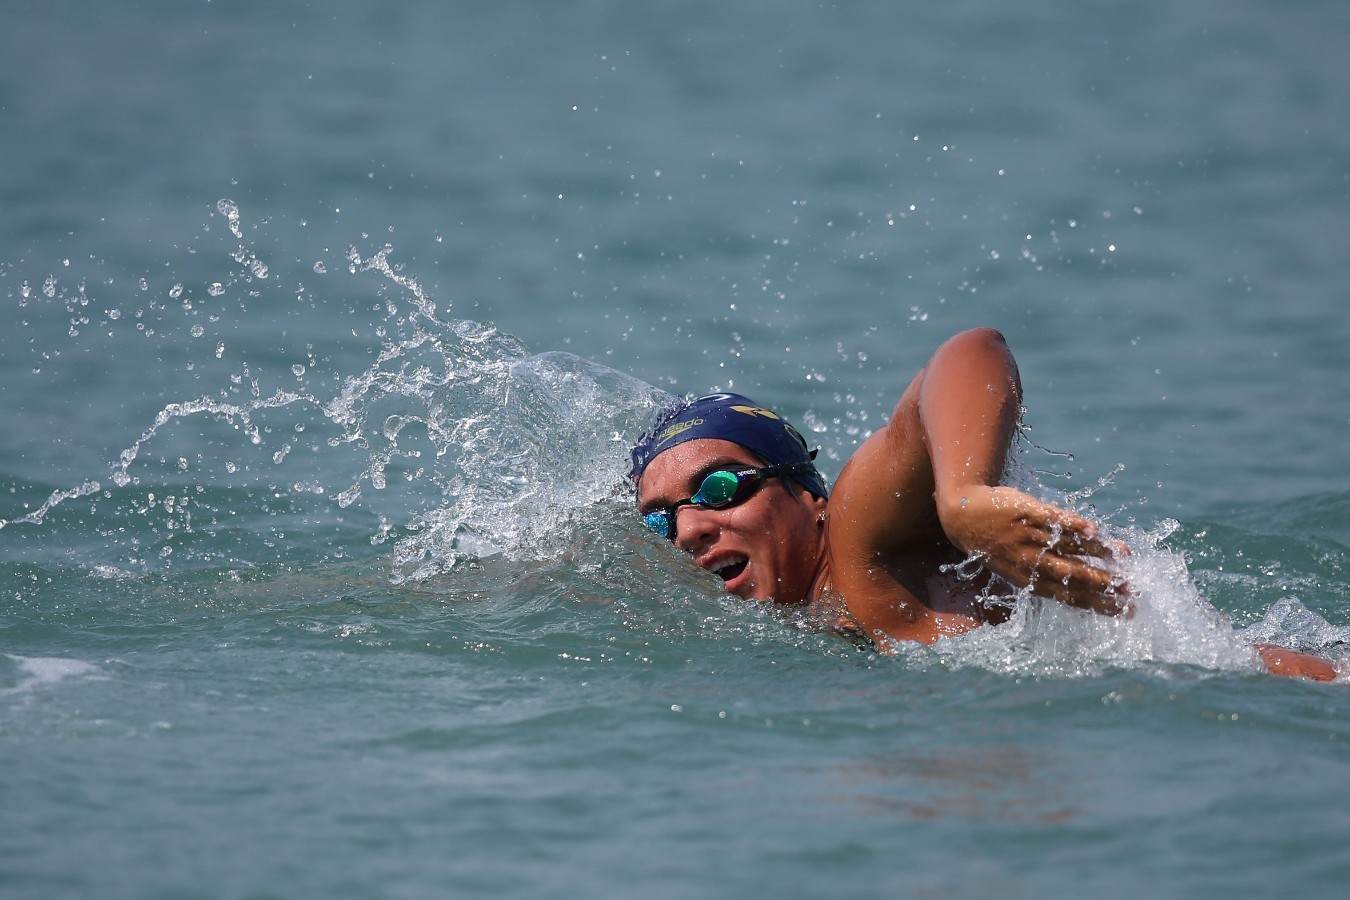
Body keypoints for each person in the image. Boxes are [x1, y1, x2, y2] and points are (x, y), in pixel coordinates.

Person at [630, 327, 1337, 682]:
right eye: (663, 520)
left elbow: (970, 350)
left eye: (721, 488)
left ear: (808, 495)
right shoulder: (814, 614)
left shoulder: (856, 539)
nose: (690, 529)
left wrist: (965, 495)